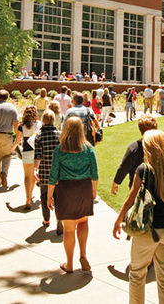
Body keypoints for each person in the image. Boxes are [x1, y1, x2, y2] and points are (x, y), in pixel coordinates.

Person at [113, 130, 164, 304]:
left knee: (137, 274)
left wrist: (118, 220)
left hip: (148, 230)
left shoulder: (144, 169)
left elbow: (130, 199)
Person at [47, 117, 98, 273]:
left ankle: (69, 263)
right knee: (83, 222)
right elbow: (95, 173)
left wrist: (49, 196)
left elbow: (53, 175)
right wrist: (93, 190)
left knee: (69, 230)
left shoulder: (60, 149)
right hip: (84, 187)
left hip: (66, 189)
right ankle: (83, 254)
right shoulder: (88, 148)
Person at [111, 114, 164, 195]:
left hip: (139, 192)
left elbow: (124, 167)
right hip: (161, 190)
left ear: (140, 129)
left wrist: (116, 182)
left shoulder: (134, 148)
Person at [34, 110, 63, 234]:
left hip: (45, 171)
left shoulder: (39, 135)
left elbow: (38, 155)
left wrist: (35, 169)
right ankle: (59, 219)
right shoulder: (59, 135)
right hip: (58, 172)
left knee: (44, 195)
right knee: (58, 197)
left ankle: (46, 219)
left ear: (43, 121)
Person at [12, 106, 42, 209]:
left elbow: (17, 141)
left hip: (26, 151)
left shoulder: (21, 126)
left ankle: (28, 197)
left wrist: (13, 148)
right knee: (33, 174)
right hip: (37, 151)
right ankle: (30, 194)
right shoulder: (39, 124)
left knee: (27, 176)